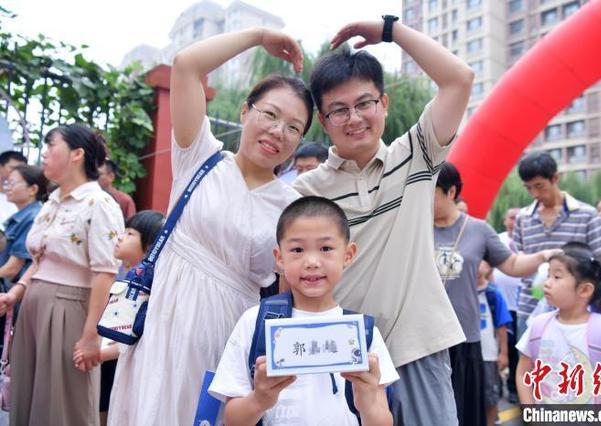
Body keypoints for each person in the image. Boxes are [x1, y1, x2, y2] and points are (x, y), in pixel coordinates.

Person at [108, 27, 313, 425]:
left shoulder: (291, 207)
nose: (277, 132)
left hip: (229, 332)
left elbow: (294, 288)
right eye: (269, 114)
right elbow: (186, 65)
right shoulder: (200, 157)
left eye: (293, 127)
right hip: (165, 319)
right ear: (245, 112)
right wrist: (257, 37)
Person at [292, 17, 474, 425]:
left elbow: (459, 79)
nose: (354, 118)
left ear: (384, 104)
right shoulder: (306, 192)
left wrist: (390, 31)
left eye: (364, 103)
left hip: (418, 346)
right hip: (342, 357)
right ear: (323, 120)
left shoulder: (417, 154)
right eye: (339, 109)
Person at [211, 196, 398, 425]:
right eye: (297, 249)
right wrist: (260, 399)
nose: (311, 261)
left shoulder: (363, 333)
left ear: (348, 255)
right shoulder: (255, 323)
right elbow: (232, 420)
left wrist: (367, 401)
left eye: (326, 248)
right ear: (279, 258)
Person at [0, 124, 124, 426]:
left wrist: (92, 334)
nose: (44, 154)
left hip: (70, 309)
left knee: (64, 403)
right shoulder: (50, 203)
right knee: (29, 398)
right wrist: (17, 292)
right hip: (33, 308)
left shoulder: (100, 203)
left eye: (51, 145)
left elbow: (105, 273)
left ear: (77, 154)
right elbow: (39, 260)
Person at [433, 162, 557, 426]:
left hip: (464, 336)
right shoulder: (414, 229)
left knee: (467, 411)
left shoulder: (478, 229)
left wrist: (543, 256)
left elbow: (511, 265)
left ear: (451, 191)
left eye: (429, 192)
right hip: (424, 338)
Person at [516, 247, 601, 405]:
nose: (546, 283)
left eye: (557, 277)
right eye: (548, 276)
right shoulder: (539, 325)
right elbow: (523, 372)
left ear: (585, 290)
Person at [513, 152, 601, 339]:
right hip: (531, 308)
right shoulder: (523, 217)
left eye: (539, 186)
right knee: (532, 366)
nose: (535, 194)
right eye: (529, 188)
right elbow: (517, 261)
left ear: (555, 178)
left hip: (576, 312)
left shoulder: (586, 214)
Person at [94, 210, 164, 426]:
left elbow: (135, 336)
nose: (121, 237)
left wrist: (99, 355)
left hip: (118, 364)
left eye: (131, 234)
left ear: (150, 248)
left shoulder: (150, 287)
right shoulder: (120, 274)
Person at [0, 165, 47, 292]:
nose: (7, 188)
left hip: (18, 291)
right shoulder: (22, 216)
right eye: (7, 183)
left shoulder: (33, 218)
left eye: (12, 183)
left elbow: (13, 268)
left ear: (33, 189)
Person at [492, 207, 522, 403]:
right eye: (512, 217)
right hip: (501, 303)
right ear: (505, 220)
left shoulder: (527, 241)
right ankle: (499, 386)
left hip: (523, 305)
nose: (515, 221)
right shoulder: (497, 240)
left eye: (519, 217)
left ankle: (515, 387)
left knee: (520, 349)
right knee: (504, 347)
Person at [476, 261, 511, 426]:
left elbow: (502, 325)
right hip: (466, 353)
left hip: (488, 354)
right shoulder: (460, 292)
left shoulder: (493, 294)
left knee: (490, 394)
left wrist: (503, 353)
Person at [0, 150, 27, 235]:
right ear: (1, 167)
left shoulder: (23, 197)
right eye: (12, 168)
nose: (17, 172)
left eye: (21, 169)